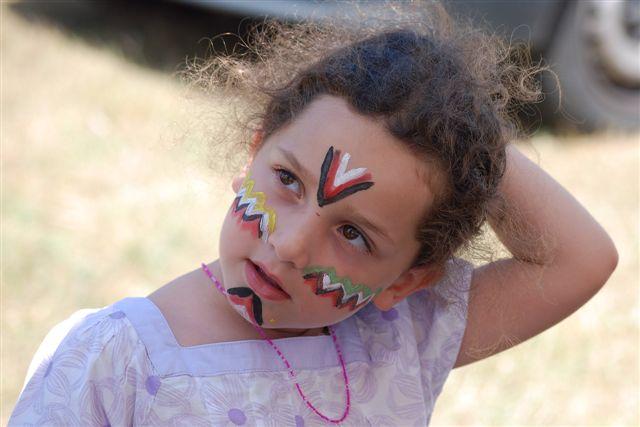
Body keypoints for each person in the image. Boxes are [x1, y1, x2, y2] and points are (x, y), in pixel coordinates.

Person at [9, 3, 618, 426]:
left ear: (407, 278)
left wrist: (460, 129)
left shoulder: (402, 340)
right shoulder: (111, 362)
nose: (293, 245)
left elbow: (579, 258)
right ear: (254, 153)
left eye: (354, 233)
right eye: (286, 181)